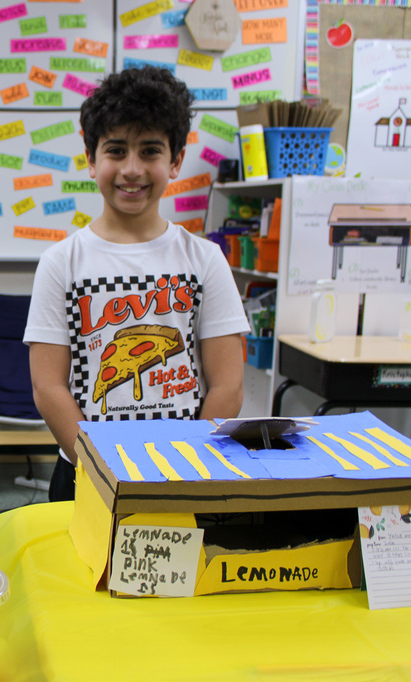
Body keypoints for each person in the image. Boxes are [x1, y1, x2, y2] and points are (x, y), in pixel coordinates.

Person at [24, 66, 249, 502]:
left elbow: (228, 386)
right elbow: (48, 387)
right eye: (115, 150)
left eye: (149, 151)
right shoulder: (61, 263)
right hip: (85, 473)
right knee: (84, 572)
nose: (131, 169)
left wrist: (187, 463)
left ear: (175, 161)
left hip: (185, 469)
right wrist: (99, 469)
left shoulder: (204, 259)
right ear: (91, 160)